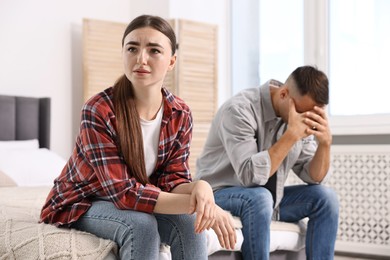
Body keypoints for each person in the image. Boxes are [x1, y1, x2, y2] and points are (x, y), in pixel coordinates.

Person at [40, 14, 236, 260]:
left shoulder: (180, 113)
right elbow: (124, 193)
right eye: (132, 48)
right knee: (141, 226)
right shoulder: (99, 109)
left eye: (154, 50)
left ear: (172, 61)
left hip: (137, 196)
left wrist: (202, 189)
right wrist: (203, 207)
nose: (141, 59)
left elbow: (172, 180)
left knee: (190, 224)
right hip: (84, 201)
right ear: (123, 53)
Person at [196, 65, 339, 260]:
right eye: (302, 113)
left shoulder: (299, 116)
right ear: (284, 94)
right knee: (260, 197)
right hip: (218, 194)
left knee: (325, 198)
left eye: (311, 115)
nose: (305, 121)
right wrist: (291, 136)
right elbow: (249, 176)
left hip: (269, 200)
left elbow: (313, 176)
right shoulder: (239, 110)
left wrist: (325, 144)